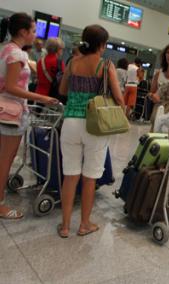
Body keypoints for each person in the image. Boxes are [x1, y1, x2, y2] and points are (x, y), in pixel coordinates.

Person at [57, 24, 124, 238]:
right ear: (102, 45)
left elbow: (62, 90)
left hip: (70, 124)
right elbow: (119, 98)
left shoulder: (73, 63)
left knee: (70, 176)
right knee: (89, 178)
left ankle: (65, 226)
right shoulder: (105, 66)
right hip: (95, 125)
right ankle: (84, 224)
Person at [0, 13, 58, 219]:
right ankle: (0, 205)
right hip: (11, 112)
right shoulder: (18, 54)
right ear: (23, 32)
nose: (35, 35)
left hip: (4, 110)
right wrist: (41, 98)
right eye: (33, 31)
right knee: (5, 160)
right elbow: (12, 87)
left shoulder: (5, 49)